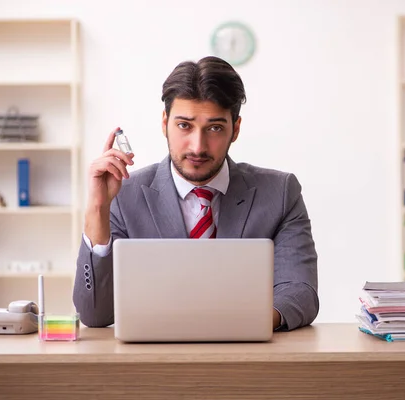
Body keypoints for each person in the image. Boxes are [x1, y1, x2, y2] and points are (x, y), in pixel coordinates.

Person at [73, 56, 319, 331]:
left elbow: (300, 292)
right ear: (165, 122)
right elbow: (94, 315)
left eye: (215, 128)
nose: (198, 146)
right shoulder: (124, 196)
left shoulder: (280, 193)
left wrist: (240, 324)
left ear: (235, 129)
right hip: (153, 363)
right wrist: (98, 207)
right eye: (184, 126)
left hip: (248, 358)